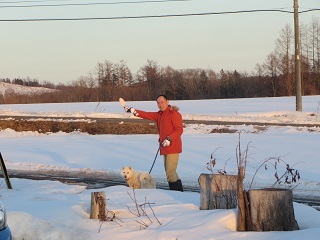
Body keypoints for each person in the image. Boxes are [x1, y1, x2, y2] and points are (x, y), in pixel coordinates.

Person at [123, 95, 184, 192]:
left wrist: (169, 139)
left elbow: (179, 130)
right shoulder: (159, 114)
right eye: (158, 103)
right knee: (171, 173)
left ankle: (176, 193)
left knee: (170, 172)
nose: (160, 104)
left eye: (162, 102)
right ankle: (179, 192)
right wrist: (133, 110)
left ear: (167, 101)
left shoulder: (174, 114)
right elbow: (147, 115)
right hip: (165, 147)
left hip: (173, 146)